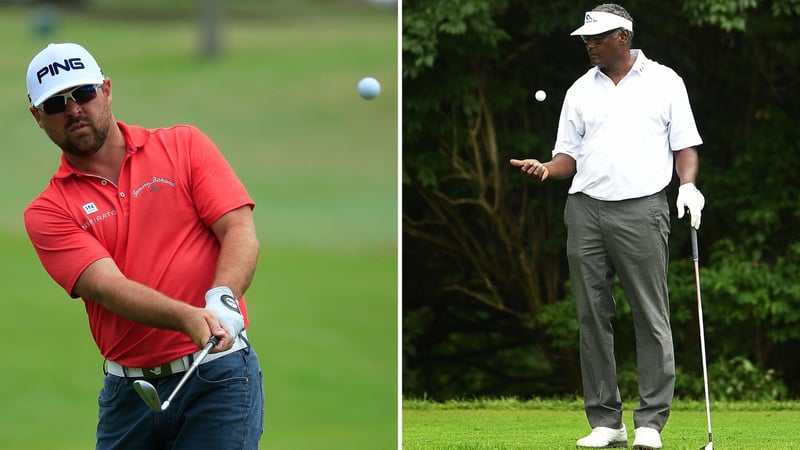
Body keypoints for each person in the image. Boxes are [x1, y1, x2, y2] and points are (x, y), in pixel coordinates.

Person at [23, 42, 264, 449]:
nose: (74, 109)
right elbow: (107, 287)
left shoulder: (183, 146)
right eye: (56, 104)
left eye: (83, 93)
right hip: (127, 395)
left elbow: (238, 228)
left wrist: (223, 296)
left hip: (219, 377)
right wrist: (187, 317)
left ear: (107, 90)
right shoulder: (47, 211)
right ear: (38, 118)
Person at [510, 4, 705, 449]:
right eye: (586, 38)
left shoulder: (664, 81)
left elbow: (685, 145)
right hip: (585, 210)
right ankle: (607, 421)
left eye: (597, 37)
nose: (589, 44)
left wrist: (688, 186)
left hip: (643, 209)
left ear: (624, 36)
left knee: (650, 316)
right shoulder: (580, 90)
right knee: (592, 316)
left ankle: (651, 424)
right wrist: (547, 168)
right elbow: (568, 157)